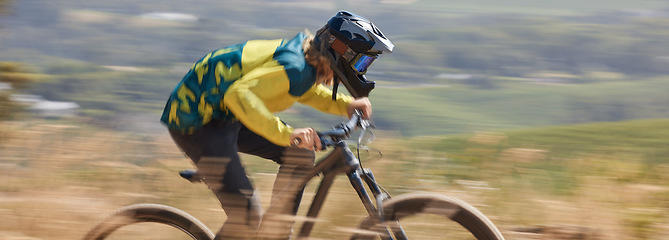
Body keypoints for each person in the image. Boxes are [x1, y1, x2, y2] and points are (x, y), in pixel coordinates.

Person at [160, 10, 393, 239]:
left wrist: (347, 105)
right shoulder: (295, 67)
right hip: (197, 122)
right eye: (361, 62)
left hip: (225, 116)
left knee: (300, 154)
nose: (362, 70)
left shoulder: (306, 63)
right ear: (342, 51)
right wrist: (288, 134)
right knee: (246, 216)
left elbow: (303, 91)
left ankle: (276, 232)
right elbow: (238, 95)